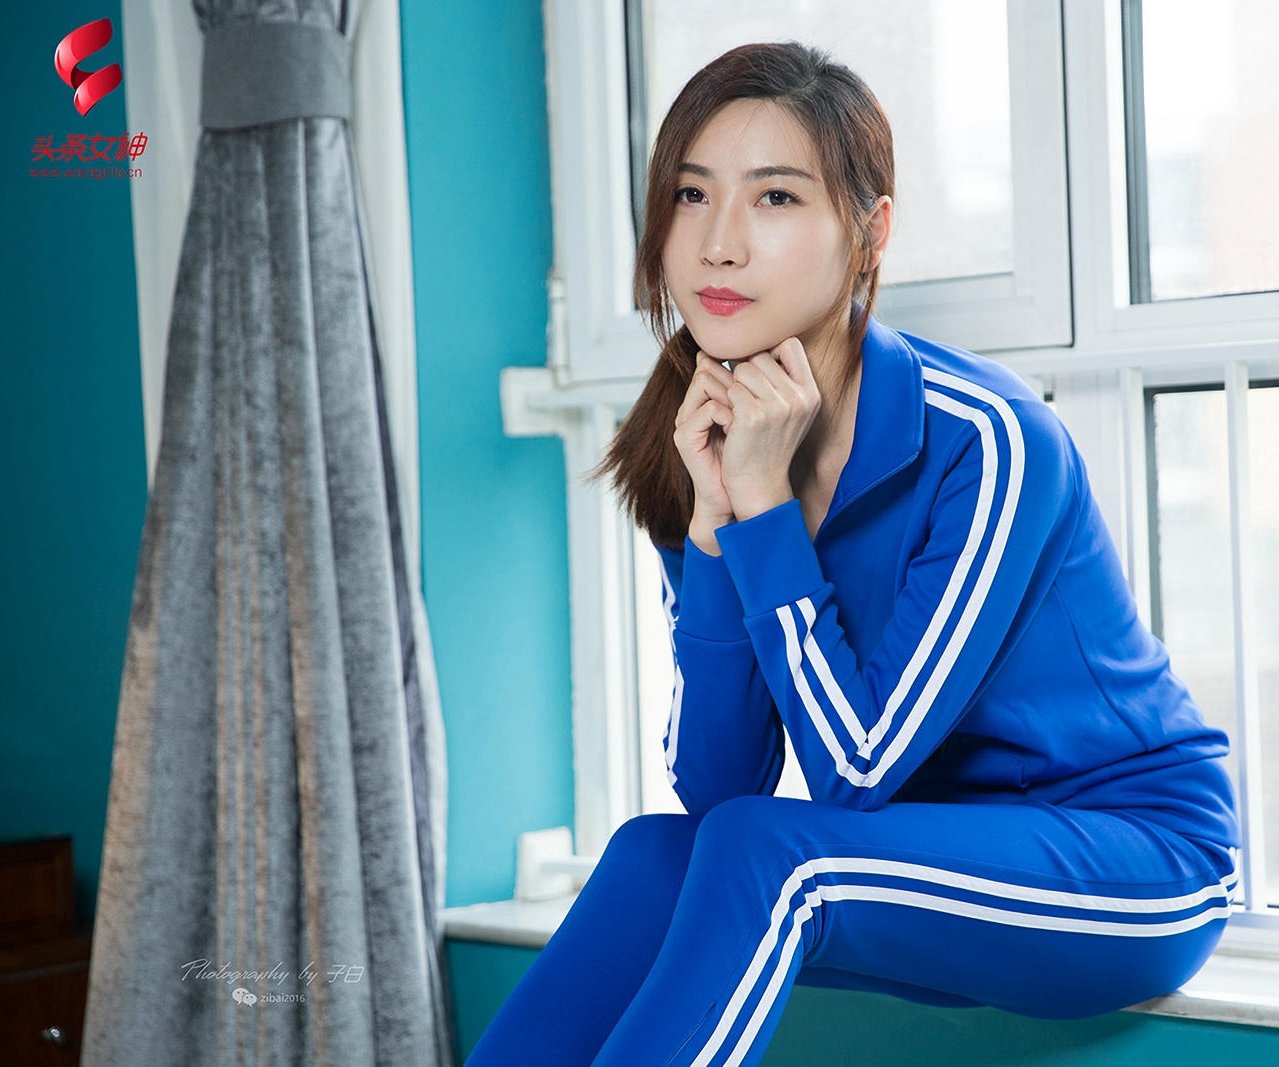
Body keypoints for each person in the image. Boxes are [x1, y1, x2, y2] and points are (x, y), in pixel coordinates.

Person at [467, 40, 1239, 1067]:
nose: (718, 245)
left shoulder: (990, 441)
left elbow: (855, 773)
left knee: (773, 853)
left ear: (869, 233)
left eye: (775, 198)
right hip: (925, 856)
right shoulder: (702, 440)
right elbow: (718, 784)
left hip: (1131, 859)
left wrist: (765, 514)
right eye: (692, 196)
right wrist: (716, 526)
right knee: (655, 851)